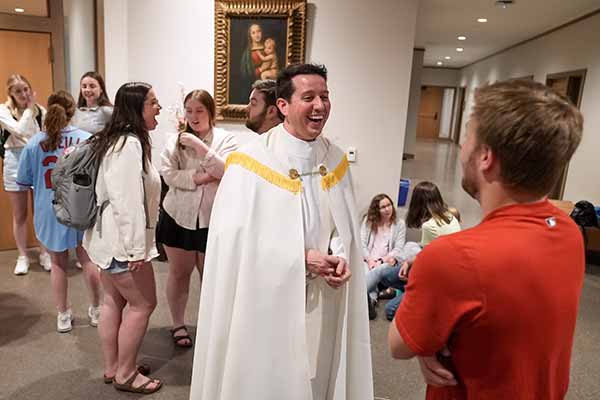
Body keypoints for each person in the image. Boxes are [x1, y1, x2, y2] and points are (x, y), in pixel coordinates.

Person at [389, 79, 584, 400]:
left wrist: (429, 336)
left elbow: (399, 346)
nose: (463, 148)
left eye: (467, 137)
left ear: (485, 157)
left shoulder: (451, 258)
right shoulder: (568, 230)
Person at [189, 64, 373, 400]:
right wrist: (301, 259)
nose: (320, 105)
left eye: (325, 97)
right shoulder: (249, 163)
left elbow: (343, 225)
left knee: (318, 371)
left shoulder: (334, 160)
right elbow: (234, 246)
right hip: (263, 302)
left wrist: (341, 256)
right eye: (309, 97)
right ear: (284, 106)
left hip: (323, 295)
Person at [83, 82, 162, 394]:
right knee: (143, 304)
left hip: (105, 240)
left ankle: (114, 366)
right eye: (153, 102)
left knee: (112, 301)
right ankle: (127, 373)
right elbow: (126, 201)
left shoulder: (114, 140)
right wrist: (134, 250)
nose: (159, 107)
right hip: (121, 243)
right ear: (136, 108)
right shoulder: (128, 144)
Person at [157, 89, 237, 348]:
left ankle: (211, 327)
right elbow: (168, 175)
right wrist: (198, 178)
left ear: (211, 113)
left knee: (210, 276)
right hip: (177, 215)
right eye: (189, 111)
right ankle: (178, 324)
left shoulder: (227, 140)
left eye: (200, 111)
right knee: (179, 273)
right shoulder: (174, 141)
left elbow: (227, 171)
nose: (194, 116)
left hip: (212, 219)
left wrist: (199, 147)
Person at [16, 90, 101, 332]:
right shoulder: (87, 139)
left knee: (58, 263)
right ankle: (96, 310)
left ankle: (63, 315)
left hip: (49, 209)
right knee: (87, 260)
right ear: (72, 112)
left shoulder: (34, 143)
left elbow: (23, 182)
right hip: (82, 207)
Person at [370, 181, 461, 320]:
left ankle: (411, 294)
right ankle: (383, 294)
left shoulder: (429, 226)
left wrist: (409, 269)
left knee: (390, 310)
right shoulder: (450, 216)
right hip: (439, 271)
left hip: (435, 280)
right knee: (386, 272)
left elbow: (426, 261)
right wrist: (407, 262)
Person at [0, 74, 50, 274]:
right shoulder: (3, 110)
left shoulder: (41, 111)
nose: (23, 94)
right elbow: (19, 130)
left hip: (37, 160)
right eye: (18, 91)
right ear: (10, 93)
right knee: (19, 214)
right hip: (15, 161)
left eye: (26, 89)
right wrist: (29, 109)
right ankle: (22, 256)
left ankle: (44, 252)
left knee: (41, 211)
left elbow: (44, 136)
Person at [361, 194, 420, 307]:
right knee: (366, 271)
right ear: (376, 210)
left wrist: (381, 261)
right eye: (383, 207)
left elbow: (398, 248)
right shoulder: (368, 221)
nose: (387, 209)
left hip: (387, 261)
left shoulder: (399, 223)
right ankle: (371, 300)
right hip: (367, 259)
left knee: (376, 272)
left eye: (389, 205)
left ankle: (365, 300)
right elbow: (362, 244)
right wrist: (369, 260)